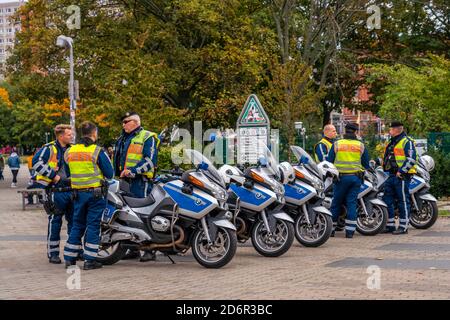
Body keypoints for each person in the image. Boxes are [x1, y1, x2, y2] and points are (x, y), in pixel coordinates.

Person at [63, 121, 114, 270]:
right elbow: (110, 174)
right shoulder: (97, 151)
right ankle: (90, 260)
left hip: (77, 194)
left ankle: (69, 258)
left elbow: (68, 173)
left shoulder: (70, 151)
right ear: (94, 133)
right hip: (95, 195)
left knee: (77, 224)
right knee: (93, 225)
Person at [113, 112, 160, 262]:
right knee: (127, 215)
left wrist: (133, 172)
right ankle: (132, 248)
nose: (123, 124)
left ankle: (149, 249)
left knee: (143, 214)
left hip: (141, 182)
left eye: (126, 121)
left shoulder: (147, 137)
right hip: (124, 181)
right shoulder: (123, 138)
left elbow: (149, 161)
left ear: (135, 122)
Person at [32, 125, 74, 264]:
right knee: (55, 222)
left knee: (74, 223)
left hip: (71, 190)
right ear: (60, 136)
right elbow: (36, 163)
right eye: (68, 134)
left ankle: (74, 251)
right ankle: (53, 254)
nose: (71, 136)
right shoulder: (49, 148)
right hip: (56, 191)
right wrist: (53, 175)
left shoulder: (72, 148)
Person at [327, 123, 370, 238]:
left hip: (340, 179)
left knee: (336, 203)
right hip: (355, 178)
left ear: (345, 131)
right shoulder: (360, 145)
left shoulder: (337, 144)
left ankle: (331, 230)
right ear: (355, 132)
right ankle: (350, 232)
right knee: (351, 203)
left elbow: (329, 161)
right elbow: (366, 164)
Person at [382, 121, 417, 234]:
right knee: (387, 199)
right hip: (390, 175)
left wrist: (401, 171)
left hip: (401, 176)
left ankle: (403, 226)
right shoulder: (392, 142)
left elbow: (411, 159)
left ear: (397, 130)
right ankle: (390, 225)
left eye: (391, 129)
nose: (389, 131)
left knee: (403, 201)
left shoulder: (407, 142)